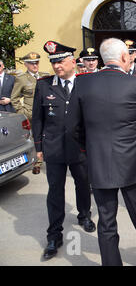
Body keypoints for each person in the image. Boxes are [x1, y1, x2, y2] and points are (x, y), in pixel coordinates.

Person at [68, 38, 136, 266]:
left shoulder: (82, 83)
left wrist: (90, 149)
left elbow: (72, 128)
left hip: (100, 164)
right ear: (124, 57)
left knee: (106, 221)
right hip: (132, 165)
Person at [32, 41, 95, 261]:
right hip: (54, 148)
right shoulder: (44, 85)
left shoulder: (86, 83)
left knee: (83, 184)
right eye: (53, 62)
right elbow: (37, 119)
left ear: (72, 61)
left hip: (80, 147)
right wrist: (38, 148)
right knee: (55, 191)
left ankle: (84, 215)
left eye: (60, 61)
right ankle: (54, 235)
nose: (57, 66)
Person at [11, 52, 50, 174]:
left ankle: (50, 158)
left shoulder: (46, 76)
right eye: (32, 63)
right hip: (32, 113)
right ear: (26, 64)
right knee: (35, 137)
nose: (35, 65)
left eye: (37, 62)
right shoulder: (21, 79)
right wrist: (23, 111)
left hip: (47, 112)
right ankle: (37, 163)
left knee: (49, 136)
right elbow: (14, 98)